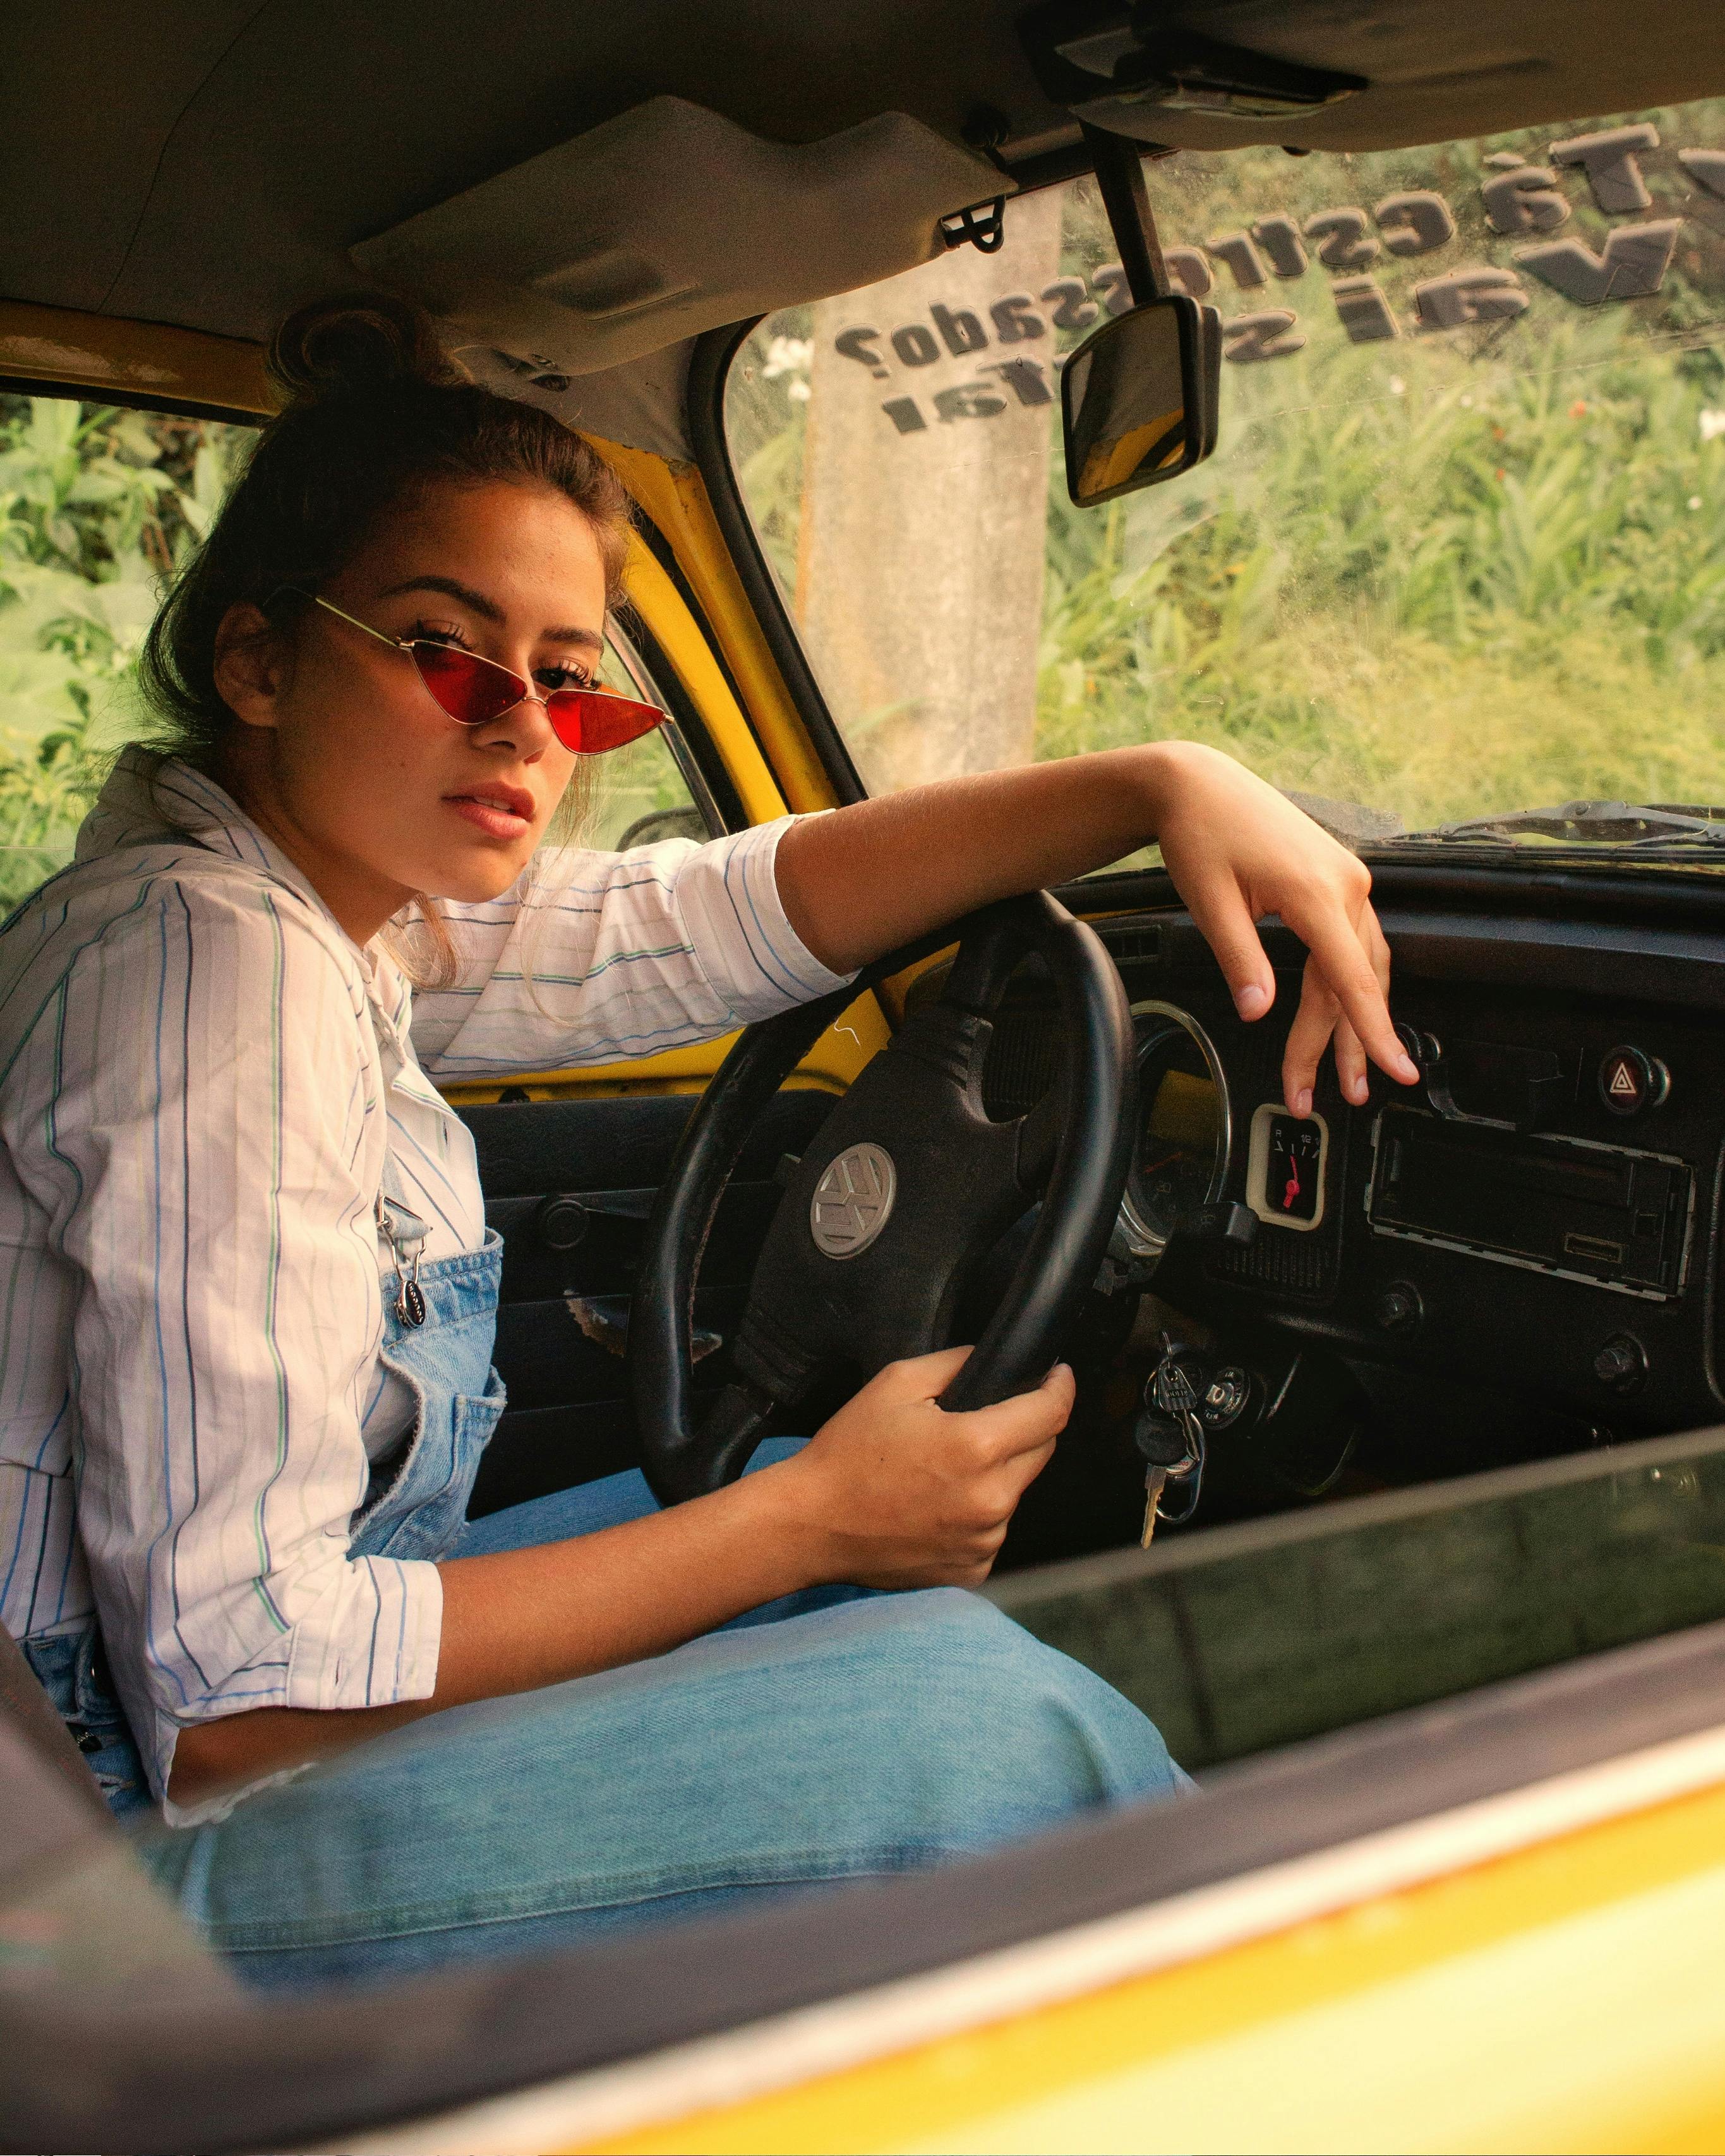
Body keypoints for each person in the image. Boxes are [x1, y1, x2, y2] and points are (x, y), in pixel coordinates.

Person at [0, 299, 1415, 1989]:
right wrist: (820, 1516)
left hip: (127, 1741)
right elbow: (244, 1709)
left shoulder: (331, 917)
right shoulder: (208, 978)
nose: (522, 725)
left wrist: (1153, 785)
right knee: (991, 1729)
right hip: (96, 1880)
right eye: (448, 651)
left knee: (802, 1546)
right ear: (259, 661)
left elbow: (710, 920)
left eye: (572, 687)